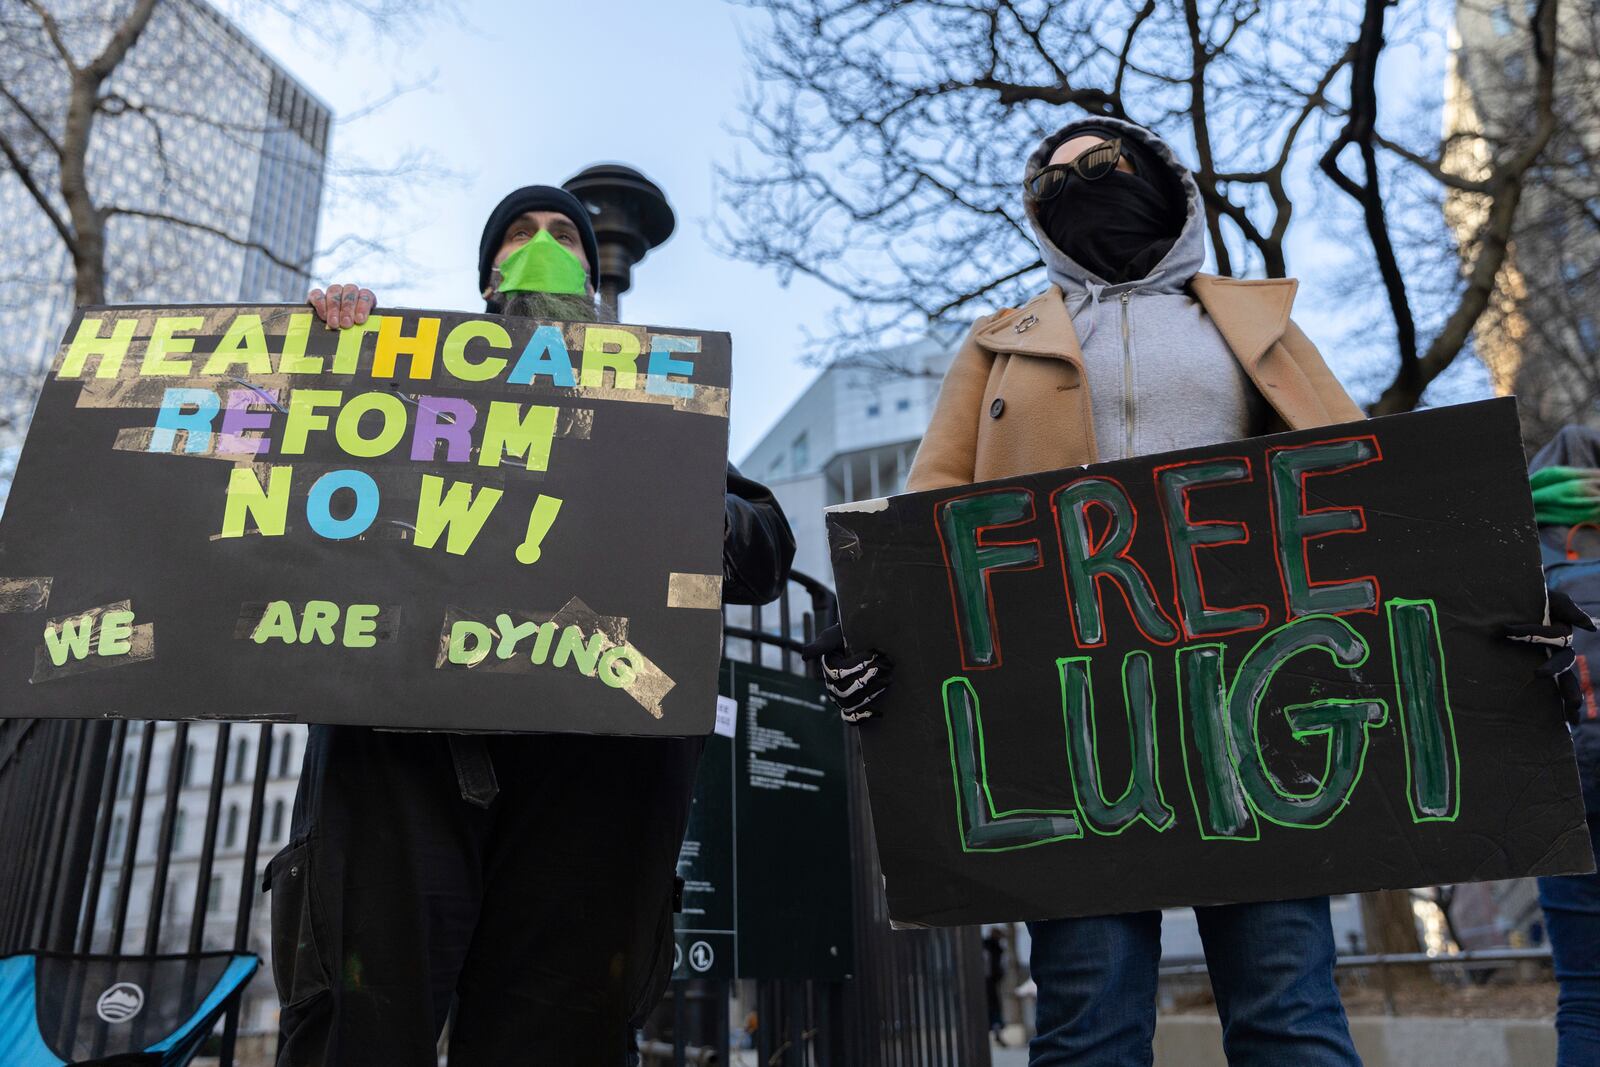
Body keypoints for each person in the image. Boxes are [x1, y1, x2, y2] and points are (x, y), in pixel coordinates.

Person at [271, 183, 796, 1066]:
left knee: (557, 1030)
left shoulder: (653, 398)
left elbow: (762, 550)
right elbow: (282, 491)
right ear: (485, 281)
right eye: (520, 234)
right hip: (404, 758)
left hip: (592, 773)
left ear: (594, 282)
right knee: (362, 1022)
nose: (542, 243)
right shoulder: (398, 371)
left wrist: (677, 502)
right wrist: (325, 351)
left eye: (564, 235)